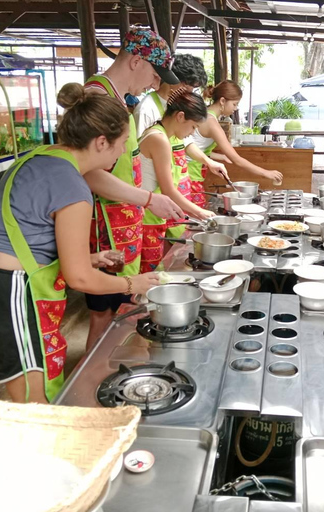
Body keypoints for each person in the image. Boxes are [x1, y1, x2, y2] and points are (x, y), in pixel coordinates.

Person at [0, 84, 160, 404]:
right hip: (9, 293)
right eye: (121, 145)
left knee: (36, 387)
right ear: (101, 142)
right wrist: (135, 281)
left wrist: (90, 257)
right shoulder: (73, 187)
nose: (123, 153)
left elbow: (30, 232)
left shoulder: (47, 157)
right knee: (34, 402)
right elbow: (78, 279)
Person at [81, 27, 184, 351]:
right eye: (155, 75)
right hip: (105, 227)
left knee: (121, 308)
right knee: (103, 314)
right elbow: (87, 174)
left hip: (124, 222)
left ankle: (106, 373)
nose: (156, 85)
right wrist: (149, 198)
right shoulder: (96, 97)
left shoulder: (117, 99)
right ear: (136, 61)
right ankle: (89, 389)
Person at [133, 54, 227, 236]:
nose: (190, 92)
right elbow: (140, 159)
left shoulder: (174, 109)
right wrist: (198, 211)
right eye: (188, 87)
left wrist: (209, 161)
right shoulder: (148, 110)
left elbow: (186, 142)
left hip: (172, 192)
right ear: (173, 80)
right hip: (155, 196)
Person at [139, 91, 216, 272]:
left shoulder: (162, 133)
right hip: (148, 216)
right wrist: (200, 212)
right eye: (193, 127)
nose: (192, 132)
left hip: (153, 212)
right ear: (180, 116)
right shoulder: (159, 139)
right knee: (149, 273)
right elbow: (168, 190)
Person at [186, 80, 283, 208]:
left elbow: (196, 146)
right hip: (189, 174)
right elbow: (237, 160)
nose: (235, 108)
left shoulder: (206, 114)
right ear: (222, 101)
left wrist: (220, 157)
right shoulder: (211, 122)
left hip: (191, 171)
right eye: (234, 104)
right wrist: (266, 173)